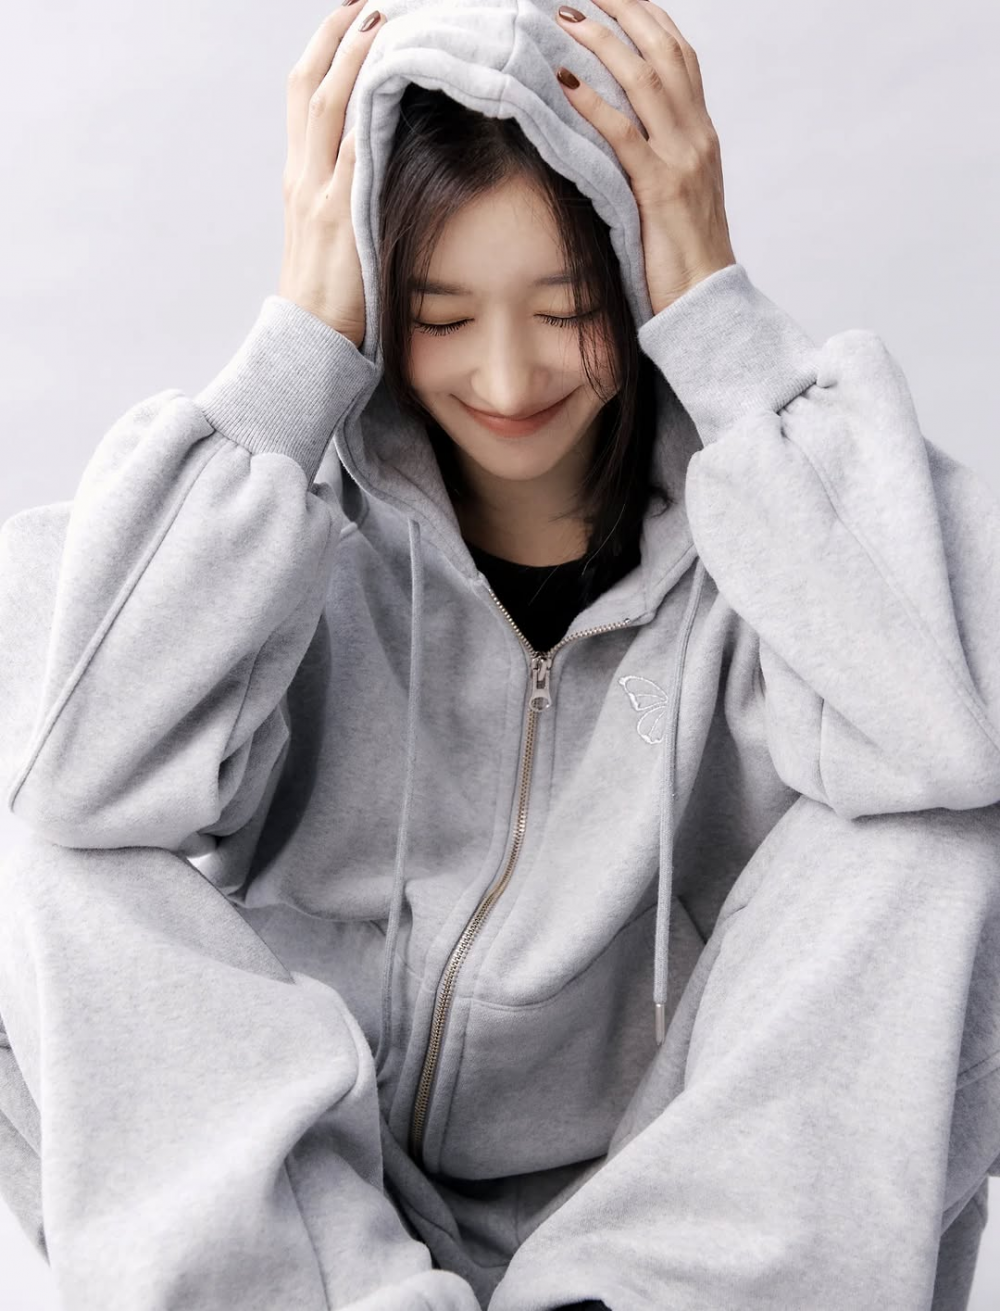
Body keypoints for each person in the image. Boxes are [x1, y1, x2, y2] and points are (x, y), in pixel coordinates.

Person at [1, 0, 1000, 1307]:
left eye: (569, 306)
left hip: (674, 1228)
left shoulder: (779, 535)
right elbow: (72, 764)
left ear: (638, 280)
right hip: (325, 1225)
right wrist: (299, 342)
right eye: (441, 314)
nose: (511, 378)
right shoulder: (276, 545)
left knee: (951, 828)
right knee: (36, 810)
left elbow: (950, 733)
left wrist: (720, 320)